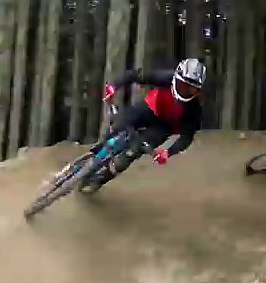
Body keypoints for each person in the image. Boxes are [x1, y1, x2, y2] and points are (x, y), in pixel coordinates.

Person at [85, 58, 206, 189]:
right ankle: (92, 156)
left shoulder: (194, 108)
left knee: (131, 154)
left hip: (163, 128)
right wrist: (114, 86)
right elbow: (135, 76)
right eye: (183, 86)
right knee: (118, 126)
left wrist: (168, 152)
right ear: (176, 78)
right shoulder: (165, 78)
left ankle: (100, 180)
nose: (186, 91)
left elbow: (187, 137)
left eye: (192, 90)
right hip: (149, 109)